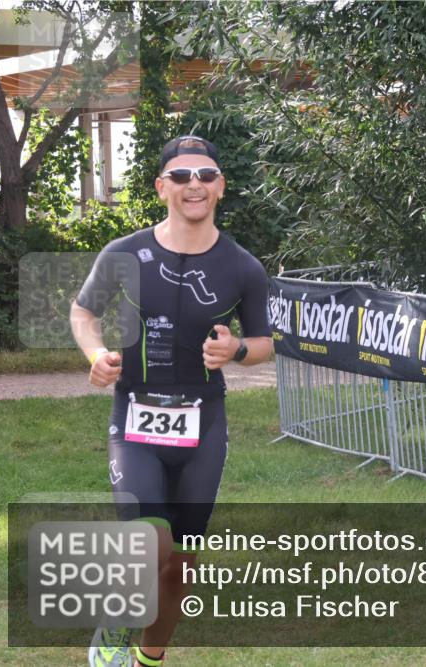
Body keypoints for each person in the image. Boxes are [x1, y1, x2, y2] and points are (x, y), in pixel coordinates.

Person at [70, 136, 272, 667]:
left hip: (203, 425)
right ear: (162, 188)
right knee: (150, 543)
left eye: (205, 175)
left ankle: (149, 659)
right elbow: (83, 312)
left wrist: (236, 350)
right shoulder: (123, 253)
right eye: (181, 176)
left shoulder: (244, 268)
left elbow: (264, 343)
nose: (194, 185)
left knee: (180, 565)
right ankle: (113, 625)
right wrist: (95, 354)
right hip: (135, 418)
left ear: (220, 186)